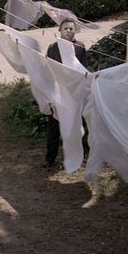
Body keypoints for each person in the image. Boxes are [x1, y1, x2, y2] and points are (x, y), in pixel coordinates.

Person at [44, 18, 88, 168]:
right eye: (66, 28)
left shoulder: (80, 47)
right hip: (57, 92)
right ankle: (50, 159)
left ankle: (80, 156)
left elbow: (83, 69)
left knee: (77, 125)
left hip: (74, 92)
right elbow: (48, 70)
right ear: (60, 31)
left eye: (71, 28)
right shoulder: (52, 48)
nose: (69, 31)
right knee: (54, 126)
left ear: (75, 31)